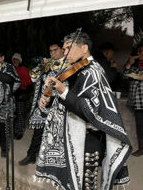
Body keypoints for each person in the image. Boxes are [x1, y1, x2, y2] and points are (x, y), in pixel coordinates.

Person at [35, 31, 131, 190]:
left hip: (88, 140)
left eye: (68, 48)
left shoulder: (93, 71)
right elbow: (71, 98)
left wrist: (62, 91)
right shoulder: (76, 69)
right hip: (73, 137)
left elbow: (89, 110)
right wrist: (50, 98)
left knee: (86, 185)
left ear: (84, 48)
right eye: (64, 49)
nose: (64, 53)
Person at [19, 43, 65, 166]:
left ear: (62, 50)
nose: (52, 53)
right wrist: (41, 66)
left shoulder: (66, 65)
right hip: (42, 105)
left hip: (56, 106)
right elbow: (32, 78)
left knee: (55, 136)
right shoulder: (47, 65)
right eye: (50, 51)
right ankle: (31, 155)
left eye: (55, 50)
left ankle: (52, 162)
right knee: (37, 133)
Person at [123, 43, 143, 156]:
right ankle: (141, 148)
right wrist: (129, 64)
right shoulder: (135, 66)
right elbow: (125, 76)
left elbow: (139, 77)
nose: (139, 54)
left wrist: (136, 76)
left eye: (142, 51)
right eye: (139, 51)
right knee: (140, 126)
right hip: (137, 101)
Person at [11, 53, 32, 140]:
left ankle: (19, 132)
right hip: (12, 95)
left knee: (20, 114)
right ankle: (14, 131)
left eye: (17, 59)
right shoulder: (11, 69)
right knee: (13, 114)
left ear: (20, 61)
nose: (15, 61)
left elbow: (29, 84)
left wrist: (25, 94)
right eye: (14, 59)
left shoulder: (23, 69)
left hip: (21, 95)